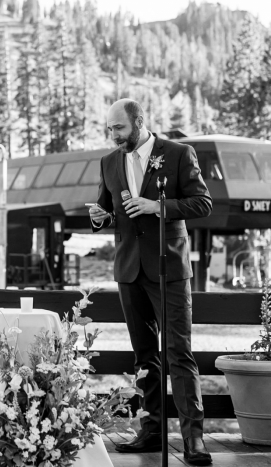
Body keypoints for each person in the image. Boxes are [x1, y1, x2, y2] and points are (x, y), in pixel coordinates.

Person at [90, 99, 213, 465]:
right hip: (129, 271)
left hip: (169, 269)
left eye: (119, 129)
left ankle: (193, 440)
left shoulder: (178, 154)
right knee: (145, 355)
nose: (113, 136)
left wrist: (157, 206)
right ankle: (152, 430)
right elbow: (107, 210)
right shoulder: (109, 161)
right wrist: (99, 216)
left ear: (139, 122)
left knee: (180, 353)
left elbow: (202, 203)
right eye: (109, 129)